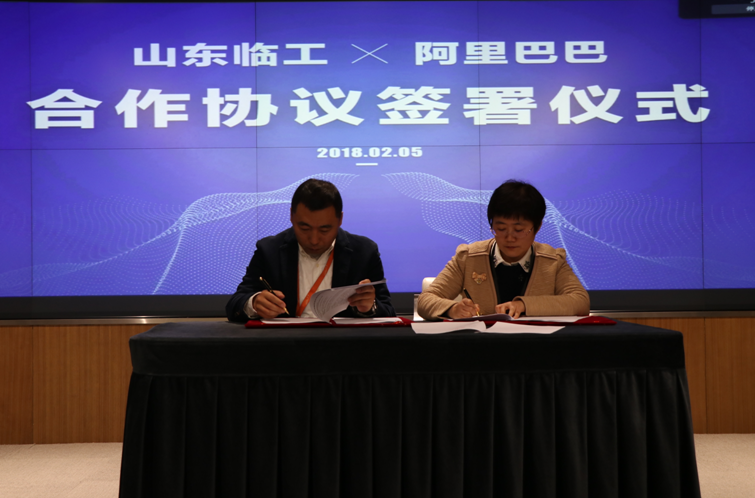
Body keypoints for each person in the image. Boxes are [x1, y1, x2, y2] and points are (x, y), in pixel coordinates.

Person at [226, 178, 395, 322]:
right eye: (304, 228)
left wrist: (368, 307)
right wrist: (255, 303)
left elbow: (388, 311)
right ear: (291, 216)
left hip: (343, 345)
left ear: (340, 220)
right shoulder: (269, 250)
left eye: (324, 229)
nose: (314, 240)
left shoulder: (364, 252)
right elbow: (235, 304)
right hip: (285, 344)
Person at [417, 179, 589, 320]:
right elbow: (426, 300)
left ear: (537, 227)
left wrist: (524, 305)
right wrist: (452, 309)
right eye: (500, 228)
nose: (509, 238)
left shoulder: (552, 261)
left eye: (519, 230)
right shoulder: (468, 257)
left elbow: (580, 302)